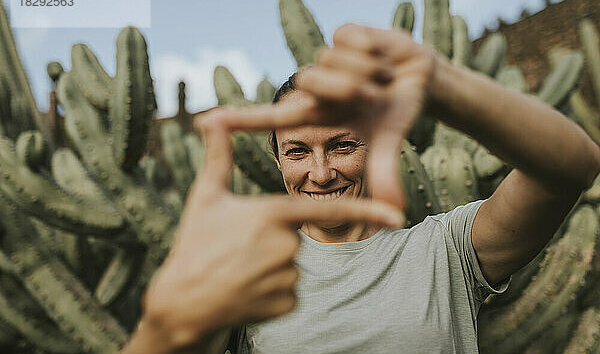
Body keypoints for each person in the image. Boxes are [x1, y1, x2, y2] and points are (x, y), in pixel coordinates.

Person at [122, 24, 600, 354]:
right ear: (276, 161)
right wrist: (163, 327)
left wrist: (441, 83)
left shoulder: (445, 250)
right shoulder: (251, 275)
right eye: (297, 152)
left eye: (342, 145)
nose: (322, 172)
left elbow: (572, 167)